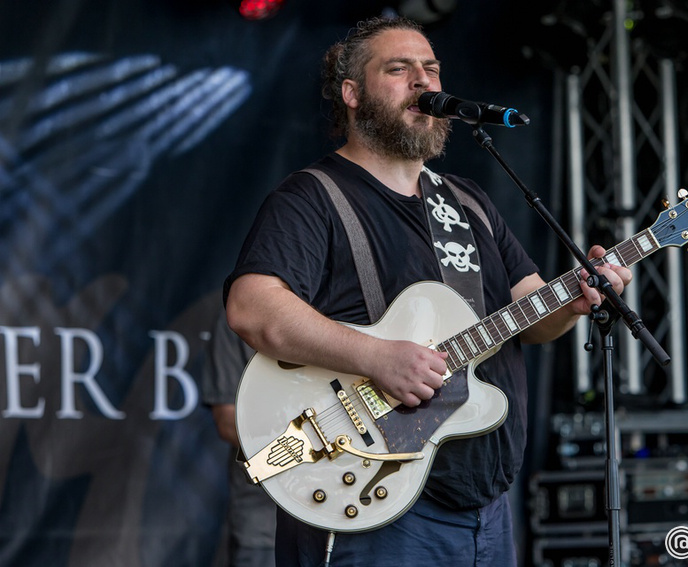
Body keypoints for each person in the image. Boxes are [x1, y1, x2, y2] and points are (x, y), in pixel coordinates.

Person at [223, 16, 632, 567]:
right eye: (399, 69)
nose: (424, 80)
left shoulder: (470, 203)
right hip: (374, 496)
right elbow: (252, 307)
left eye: (432, 68)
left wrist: (579, 299)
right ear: (352, 93)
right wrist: (376, 357)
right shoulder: (312, 197)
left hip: (486, 507)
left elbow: (534, 316)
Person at [202, 308, 276, 567]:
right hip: (266, 524)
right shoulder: (236, 318)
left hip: (349, 515)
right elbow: (227, 422)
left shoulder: (346, 307)